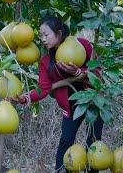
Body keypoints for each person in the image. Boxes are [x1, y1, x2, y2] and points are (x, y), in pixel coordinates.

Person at [8, 16, 104, 173]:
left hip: (93, 99)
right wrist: (24, 98)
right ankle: (60, 170)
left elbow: (97, 73)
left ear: (59, 34)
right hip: (70, 105)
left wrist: (80, 72)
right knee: (66, 140)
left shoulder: (83, 45)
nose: (43, 39)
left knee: (93, 141)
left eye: (46, 35)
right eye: (41, 35)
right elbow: (43, 89)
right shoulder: (46, 61)